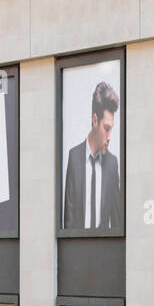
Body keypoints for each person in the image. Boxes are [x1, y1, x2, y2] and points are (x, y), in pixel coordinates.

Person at [62, 80, 122, 229]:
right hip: (77, 249)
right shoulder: (74, 157)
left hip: (105, 250)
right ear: (95, 120)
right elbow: (68, 218)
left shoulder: (112, 164)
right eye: (106, 128)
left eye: (111, 129)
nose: (109, 137)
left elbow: (117, 220)